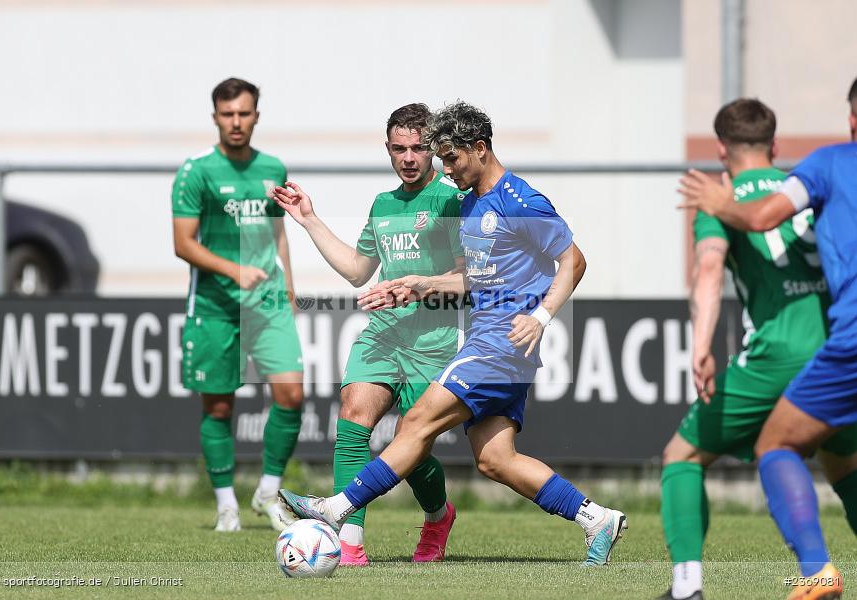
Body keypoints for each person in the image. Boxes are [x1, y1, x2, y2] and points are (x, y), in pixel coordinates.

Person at [277, 101, 627, 566]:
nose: (447, 169)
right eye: (441, 158)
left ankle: (335, 511)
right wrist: (422, 284)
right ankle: (596, 518)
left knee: (416, 422)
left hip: (500, 343)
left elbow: (574, 261)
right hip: (496, 343)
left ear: (480, 149)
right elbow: (474, 278)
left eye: (452, 158)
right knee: (495, 459)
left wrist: (541, 316)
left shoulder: (519, 199)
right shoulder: (470, 203)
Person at [659, 98, 857, 600]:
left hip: (776, 353)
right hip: (836, 345)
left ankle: (687, 587)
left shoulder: (721, 200)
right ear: (774, 144)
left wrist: (701, 345)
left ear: (722, 149)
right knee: (843, 462)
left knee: (681, 456)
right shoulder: (806, 186)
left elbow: (708, 271)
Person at [271, 103, 463, 565]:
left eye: (419, 148)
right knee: (353, 420)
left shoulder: (451, 200)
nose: (410, 157)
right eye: (400, 149)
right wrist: (309, 220)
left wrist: (416, 290)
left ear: (433, 148)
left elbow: (466, 277)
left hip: (432, 344)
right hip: (382, 336)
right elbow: (359, 271)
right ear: (388, 150)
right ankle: (349, 543)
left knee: (409, 450)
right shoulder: (383, 204)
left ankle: (438, 516)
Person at [172, 77, 304, 532]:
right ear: (215, 118)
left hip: (267, 302)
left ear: (256, 116)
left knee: (291, 395)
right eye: (227, 114)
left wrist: (288, 282)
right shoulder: (197, 171)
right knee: (220, 408)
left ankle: (268, 492)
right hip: (215, 304)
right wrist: (233, 270)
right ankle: (226, 503)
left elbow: (277, 230)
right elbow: (183, 244)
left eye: (243, 113)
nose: (236, 122)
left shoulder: (273, 167)